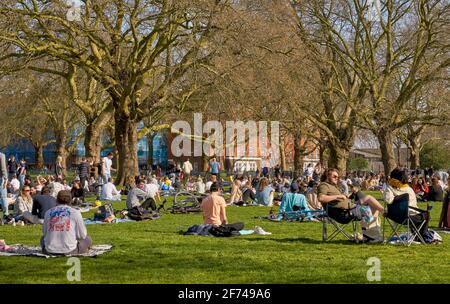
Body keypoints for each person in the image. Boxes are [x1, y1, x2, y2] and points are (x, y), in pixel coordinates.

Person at [317, 168, 384, 222]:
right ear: (327, 176)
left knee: (374, 207)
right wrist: (338, 196)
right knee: (369, 198)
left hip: (349, 209)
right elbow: (321, 198)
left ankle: (371, 236)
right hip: (344, 213)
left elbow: (342, 199)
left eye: (337, 177)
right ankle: (385, 212)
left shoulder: (333, 186)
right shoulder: (324, 185)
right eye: (334, 176)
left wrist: (352, 194)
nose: (337, 178)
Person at [41, 190, 92, 255]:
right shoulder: (75, 212)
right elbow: (82, 235)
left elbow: (45, 233)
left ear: (57, 200)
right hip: (69, 250)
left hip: (49, 250)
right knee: (88, 239)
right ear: (70, 200)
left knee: (42, 238)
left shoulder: (48, 212)